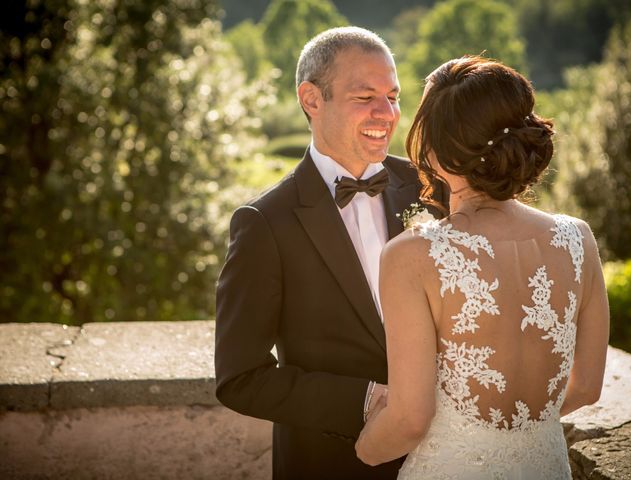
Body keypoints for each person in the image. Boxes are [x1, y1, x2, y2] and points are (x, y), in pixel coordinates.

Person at [355, 56, 610, 479]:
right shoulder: (578, 238)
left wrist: (364, 450)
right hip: (545, 466)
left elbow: (410, 419)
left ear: (435, 155)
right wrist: (522, 429)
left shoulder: (412, 255)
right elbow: (586, 387)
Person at [214, 26, 447, 480]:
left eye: (393, 96)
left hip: (444, 458)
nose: (387, 113)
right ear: (311, 99)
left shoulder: (432, 187)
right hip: (330, 463)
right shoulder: (264, 223)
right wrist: (362, 399)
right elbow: (240, 378)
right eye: (365, 98)